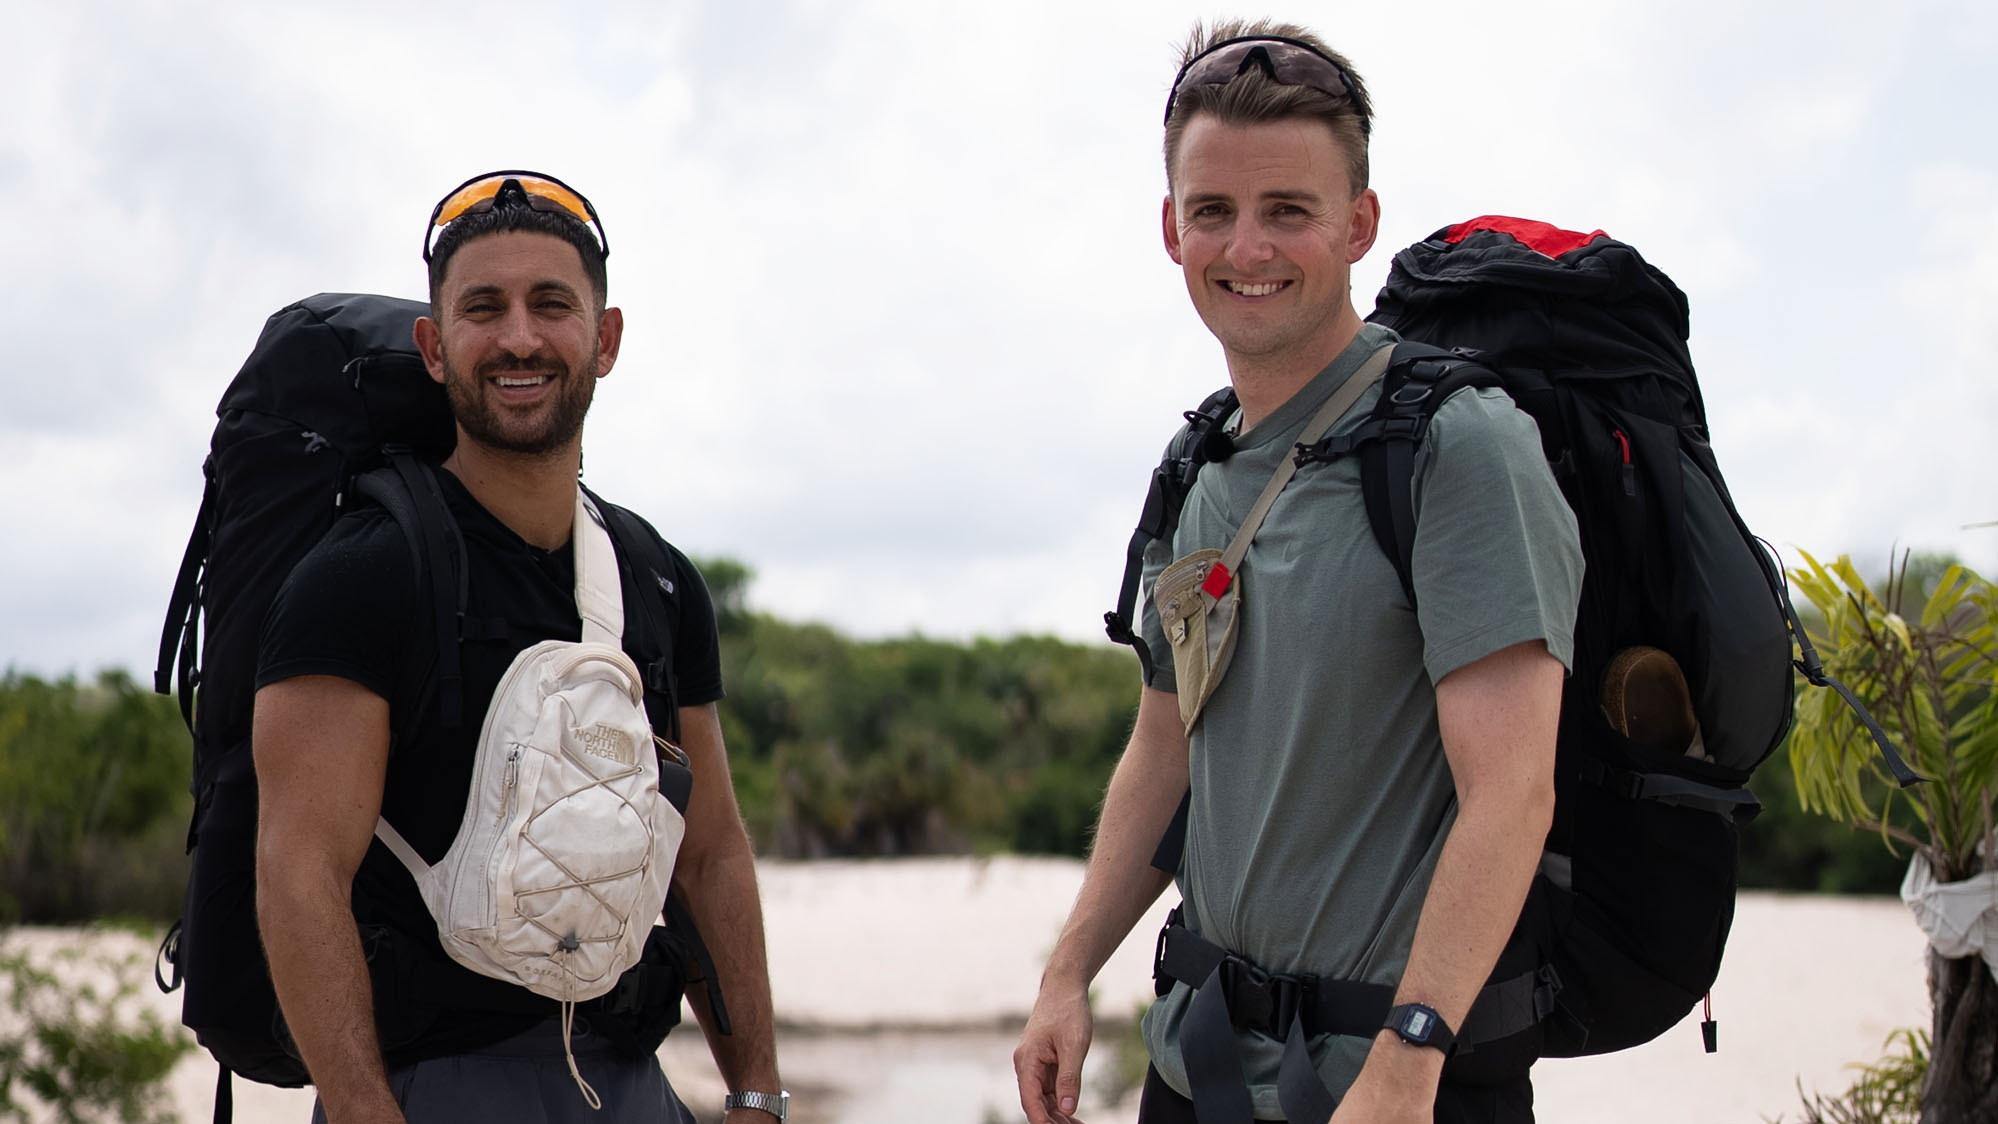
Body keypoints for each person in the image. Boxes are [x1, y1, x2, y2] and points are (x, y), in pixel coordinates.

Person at [1014, 21, 1583, 1124]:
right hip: (1200, 1064)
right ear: (1171, 229)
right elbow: (1166, 739)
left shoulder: (1457, 448)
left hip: (1395, 1082)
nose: (1248, 248)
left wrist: (1410, 1059)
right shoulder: (1198, 464)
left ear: (1359, 223)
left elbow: (1512, 793)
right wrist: (1067, 972)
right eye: (1214, 211)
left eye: (1289, 210)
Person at [253, 171, 786, 1124]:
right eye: (482, 309)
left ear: (606, 338)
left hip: (629, 1077)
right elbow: (299, 874)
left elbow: (707, 857)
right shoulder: (365, 574)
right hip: (429, 1086)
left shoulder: (655, 579)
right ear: (433, 345)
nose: (519, 339)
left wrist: (755, 1093)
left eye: (552, 304)